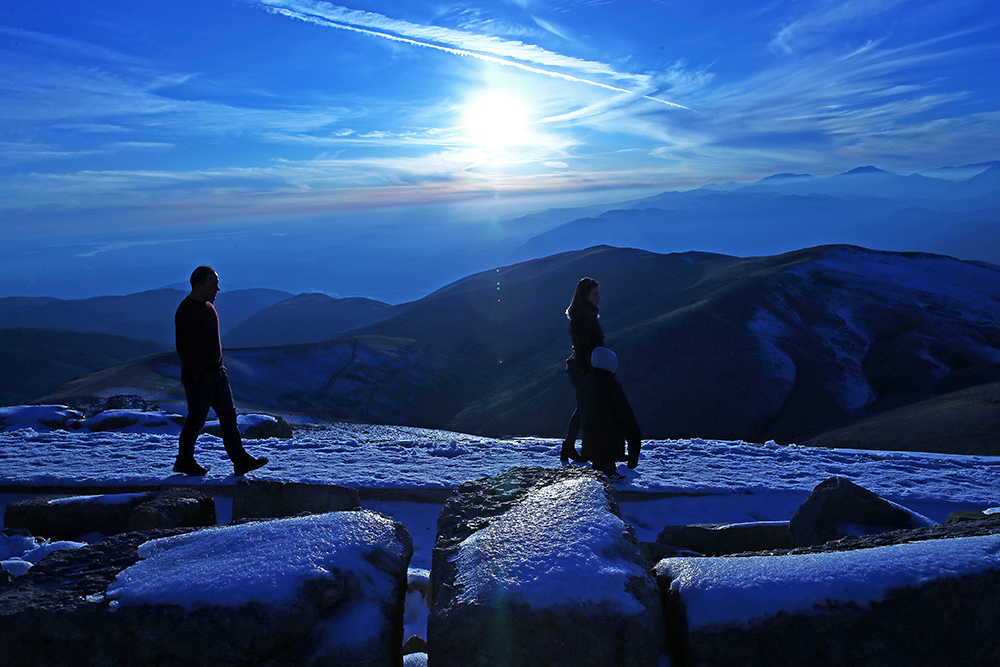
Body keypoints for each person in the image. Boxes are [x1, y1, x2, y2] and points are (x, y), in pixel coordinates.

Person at [173, 265, 268, 476]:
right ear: (198, 286)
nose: (217, 289)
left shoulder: (208, 305)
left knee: (228, 417)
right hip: (201, 376)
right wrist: (202, 373)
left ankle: (240, 460)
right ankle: (184, 461)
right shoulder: (187, 311)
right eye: (213, 285)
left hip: (216, 373)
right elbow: (184, 349)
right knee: (197, 419)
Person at [579, 347, 641, 482]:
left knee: (598, 451)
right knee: (606, 451)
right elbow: (626, 416)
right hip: (610, 436)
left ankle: (599, 467)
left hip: (590, 435)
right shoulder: (611, 385)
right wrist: (633, 456)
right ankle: (608, 470)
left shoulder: (585, 382)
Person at [561, 277, 604, 463]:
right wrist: (591, 372)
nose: (599, 297)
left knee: (583, 409)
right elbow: (583, 347)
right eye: (595, 294)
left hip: (582, 369)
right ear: (585, 296)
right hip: (583, 370)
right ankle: (587, 450)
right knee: (588, 409)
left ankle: (570, 448)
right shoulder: (583, 319)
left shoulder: (585, 316)